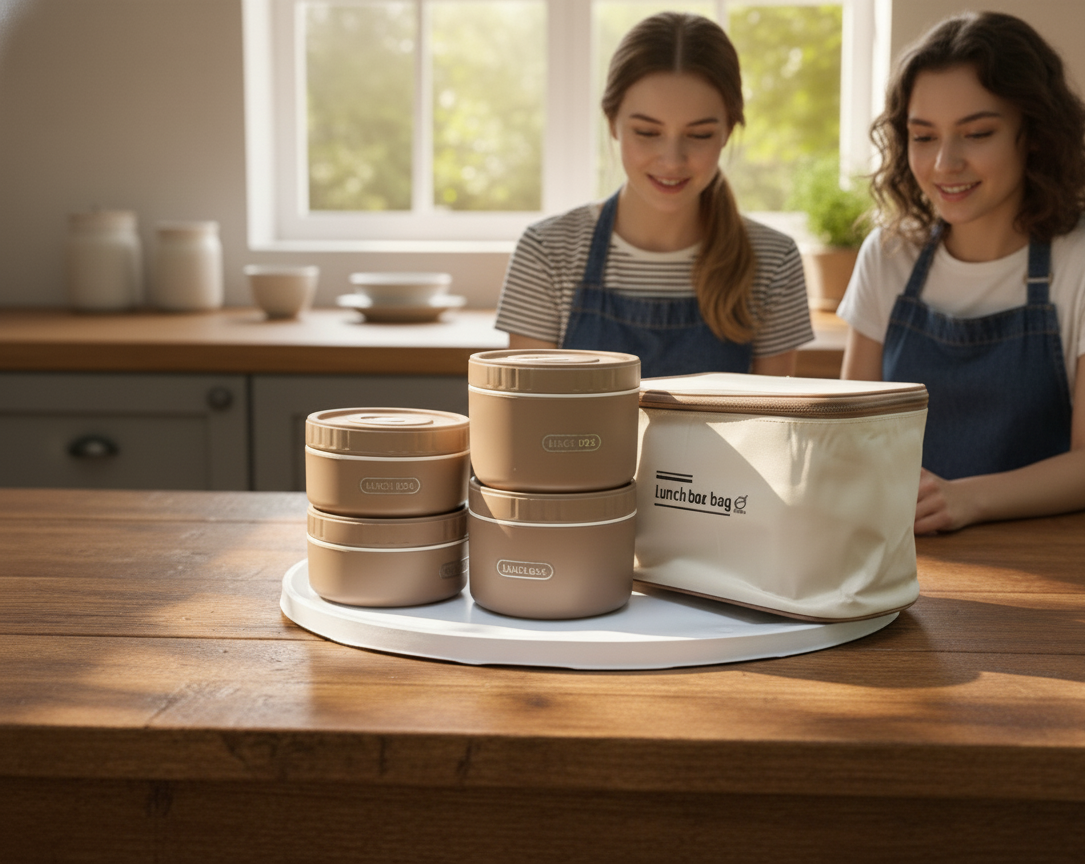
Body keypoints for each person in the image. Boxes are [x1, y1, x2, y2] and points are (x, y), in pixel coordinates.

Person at [838, 11, 1085, 534]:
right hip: (899, 546)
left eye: (976, 133)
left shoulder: (1076, 260)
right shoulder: (887, 255)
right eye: (924, 137)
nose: (945, 163)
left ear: (1034, 134)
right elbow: (847, 435)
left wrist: (967, 500)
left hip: (1047, 562)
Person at [495, 11, 813, 378]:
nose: (672, 160)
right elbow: (528, 423)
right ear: (612, 122)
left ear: (728, 130)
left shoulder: (773, 261)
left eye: (699, 135)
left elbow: (773, 428)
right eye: (647, 132)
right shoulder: (548, 252)